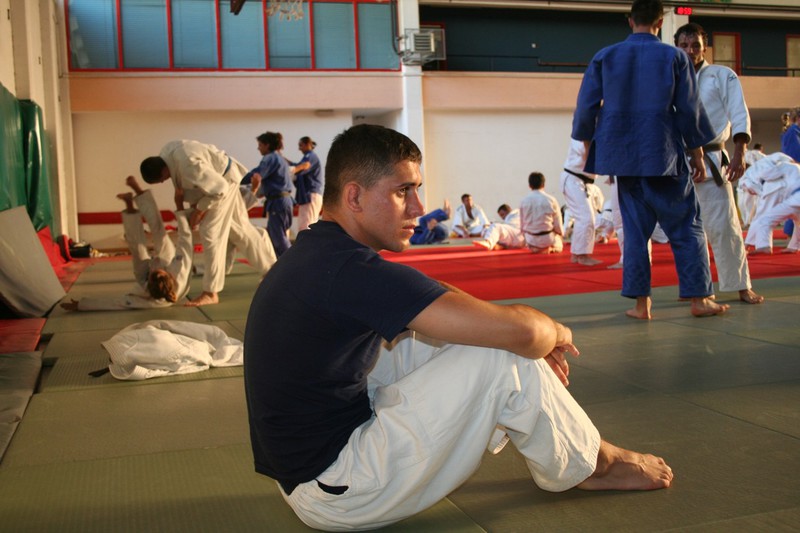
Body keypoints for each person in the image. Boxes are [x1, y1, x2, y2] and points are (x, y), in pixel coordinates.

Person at [244, 124, 674, 531]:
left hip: (304, 472)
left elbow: (436, 298)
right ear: (354, 196)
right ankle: (591, 465)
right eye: (402, 191)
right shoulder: (349, 270)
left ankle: (546, 425)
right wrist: (557, 333)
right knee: (501, 354)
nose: (418, 207)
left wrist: (510, 333)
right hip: (337, 488)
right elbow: (525, 334)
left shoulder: (320, 252)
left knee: (442, 333)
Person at [572, 0, 727, 320]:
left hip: (624, 157)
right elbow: (689, 109)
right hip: (664, 152)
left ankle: (641, 305)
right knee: (686, 227)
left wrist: (592, 151)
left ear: (630, 21)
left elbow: (586, 108)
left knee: (635, 232)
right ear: (661, 22)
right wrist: (697, 153)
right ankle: (699, 299)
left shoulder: (605, 56)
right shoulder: (675, 57)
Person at [674, 23, 763, 305]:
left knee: (724, 226)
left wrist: (740, 151)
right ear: (676, 47)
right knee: (685, 231)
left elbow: (739, 112)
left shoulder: (721, 75)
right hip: (677, 162)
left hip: (712, 160)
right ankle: (695, 288)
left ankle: (740, 285)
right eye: (684, 46)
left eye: (696, 46)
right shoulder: (670, 77)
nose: (690, 51)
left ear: (705, 48)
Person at [140, 139, 276, 306]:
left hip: (225, 183)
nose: (163, 182)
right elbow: (196, 183)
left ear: (162, 170)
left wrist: (199, 211)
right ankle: (271, 270)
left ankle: (211, 292)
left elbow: (220, 189)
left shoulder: (187, 165)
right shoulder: (167, 153)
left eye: (161, 179)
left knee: (210, 233)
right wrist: (194, 206)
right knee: (238, 229)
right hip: (224, 177)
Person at [61, 176, 193, 311]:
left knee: (137, 249)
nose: (154, 268)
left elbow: (115, 303)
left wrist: (80, 305)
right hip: (168, 263)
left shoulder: (146, 298)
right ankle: (138, 190)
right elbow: (185, 240)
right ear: (169, 275)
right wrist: (179, 205)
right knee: (160, 234)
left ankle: (129, 203)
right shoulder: (179, 271)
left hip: (144, 279)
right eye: (157, 271)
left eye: (153, 272)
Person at [243, 132, 294, 257]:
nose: (258, 148)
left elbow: (257, 175)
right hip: (284, 201)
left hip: (278, 202)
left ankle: (292, 264)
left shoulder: (270, 158)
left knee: (279, 239)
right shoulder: (280, 158)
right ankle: (283, 264)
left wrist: (236, 177)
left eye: (260, 145)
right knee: (276, 236)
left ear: (267, 145)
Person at [741, 156, 800, 254]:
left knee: (764, 219)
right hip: (790, 195)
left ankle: (763, 246)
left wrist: (761, 179)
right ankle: (794, 246)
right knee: (798, 220)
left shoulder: (783, 165)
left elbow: (768, 175)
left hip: (784, 194)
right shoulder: (795, 167)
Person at [560, 139, 603, 265]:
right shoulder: (581, 136)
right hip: (573, 179)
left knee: (583, 218)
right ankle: (582, 255)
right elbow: (587, 155)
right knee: (586, 218)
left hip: (580, 181)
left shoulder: (592, 136)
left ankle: (577, 254)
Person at [519, 172, 564, 254]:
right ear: (543, 184)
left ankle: (536, 248)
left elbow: (522, 225)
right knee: (559, 243)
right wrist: (560, 234)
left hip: (530, 238)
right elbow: (558, 224)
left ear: (529, 185)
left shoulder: (523, 201)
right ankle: (551, 248)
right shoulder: (551, 200)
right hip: (547, 238)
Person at [291, 136, 324, 232]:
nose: (299, 148)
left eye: (301, 145)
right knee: (306, 225)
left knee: (306, 227)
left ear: (307, 144)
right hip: (308, 196)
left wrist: (292, 171)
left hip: (310, 195)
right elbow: (298, 165)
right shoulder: (307, 158)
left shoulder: (311, 156)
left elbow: (305, 165)